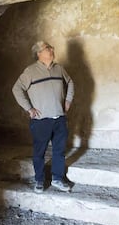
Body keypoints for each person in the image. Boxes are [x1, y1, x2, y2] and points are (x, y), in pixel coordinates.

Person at [12, 40, 74, 193]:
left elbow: (70, 82)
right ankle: (39, 180)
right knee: (39, 152)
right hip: (41, 121)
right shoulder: (30, 71)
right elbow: (17, 89)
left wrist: (68, 99)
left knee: (59, 151)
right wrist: (29, 108)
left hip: (59, 118)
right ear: (39, 53)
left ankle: (57, 179)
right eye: (47, 48)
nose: (51, 50)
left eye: (51, 47)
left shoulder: (59, 69)